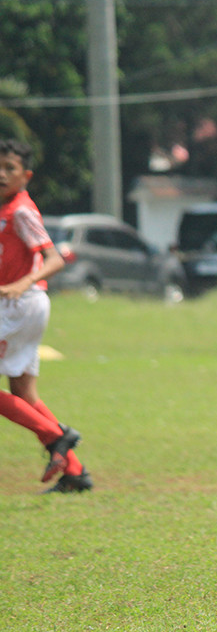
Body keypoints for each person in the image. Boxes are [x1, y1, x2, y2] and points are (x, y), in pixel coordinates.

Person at [0, 139, 92, 493]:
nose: (2, 174)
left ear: (26, 176)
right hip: (19, 304)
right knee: (24, 393)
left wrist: (22, 282)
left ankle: (57, 436)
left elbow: (54, 258)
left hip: (20, 305)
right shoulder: (6, 208)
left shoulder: (21, 211)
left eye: (10, 168)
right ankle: (75, 473)